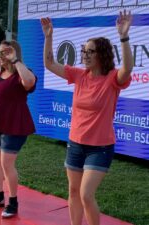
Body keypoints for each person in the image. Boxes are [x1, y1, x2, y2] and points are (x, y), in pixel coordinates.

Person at [41, 10, 133, 225]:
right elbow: (49, 63)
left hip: (100, 147)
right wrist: (48, 37)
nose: (85, 55)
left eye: (90, 51)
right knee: (73, 191)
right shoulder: (78, 74)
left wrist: (124, 36)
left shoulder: (112, 79)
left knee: (85, 194)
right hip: (75, 143)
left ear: (102, 55)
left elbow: (127, 68)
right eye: (84, 51)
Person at [0, 30, 37, 218]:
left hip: (15, 124)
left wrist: (16, 61)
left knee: (6, 163)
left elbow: (29, 82)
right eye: (0, 53)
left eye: (5, 53)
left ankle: (13, 201)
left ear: (15, 54)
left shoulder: (22, 72)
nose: (1, 56)